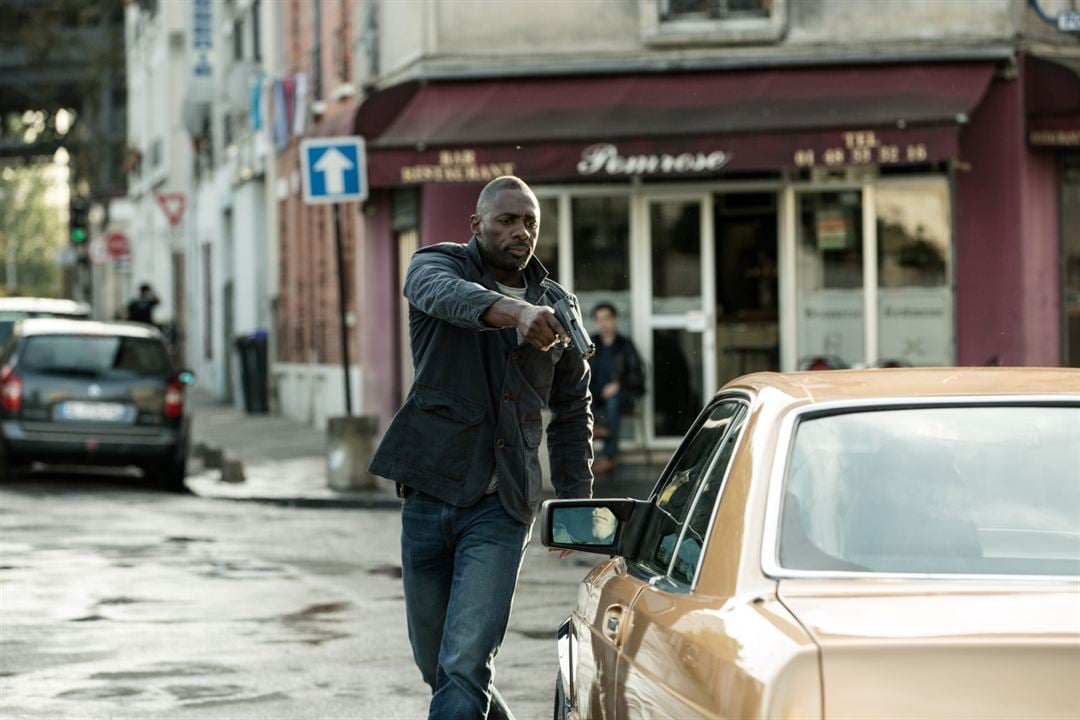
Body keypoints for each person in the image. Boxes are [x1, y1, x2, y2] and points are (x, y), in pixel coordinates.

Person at [368, 175, 593, 720]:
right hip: (429, 491)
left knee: (466, 662)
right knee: (438, 666)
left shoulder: (558, 305)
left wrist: (578, 506)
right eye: (508, 220)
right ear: (477, 225)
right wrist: (516, 315)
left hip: (502, 504)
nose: (522, 232)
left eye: (531, 223)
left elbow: (571, 411)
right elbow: (446, 299)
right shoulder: (434, 265)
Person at [589, 303, 644, 474]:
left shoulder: (625, 345)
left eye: (606, 318)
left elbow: (638, 376)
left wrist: (618, 385)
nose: (602, 323)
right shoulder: (591, 343)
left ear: (614, 320)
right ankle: (597, 431)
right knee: (579, 400)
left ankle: (608, 456)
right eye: (599, 319)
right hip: (595, 395)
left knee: (612, 402)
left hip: (621, 395)